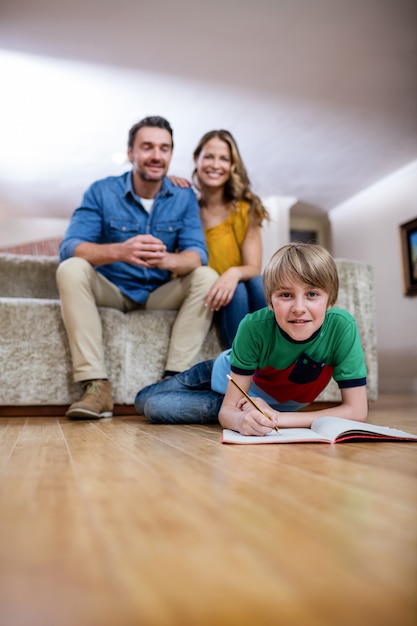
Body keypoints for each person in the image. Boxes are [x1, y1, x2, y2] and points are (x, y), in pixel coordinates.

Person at [57, 115, 218, 420]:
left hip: (158, 292)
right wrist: (120, 250)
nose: (156, 155)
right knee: (71, 268)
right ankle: (96, 387)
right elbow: (70, 246)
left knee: (207, 276)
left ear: (171, 154)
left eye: (164, 148)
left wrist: (170, 260)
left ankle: (172, 382)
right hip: (112, 290)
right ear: (131, 152)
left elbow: (198, 254)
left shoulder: (183, 196)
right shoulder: (101, 191)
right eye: (147, 147)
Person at [135, 243, 369, 435]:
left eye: (312, 294)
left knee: (155, 407)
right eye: (286, 295)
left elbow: (357, 411)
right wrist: (240, 418)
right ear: (270, 301)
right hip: (221, 375)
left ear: (330, 301)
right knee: (142, 401)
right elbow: (228, 410)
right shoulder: (253, 326)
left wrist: (277, 417)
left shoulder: (341, 327)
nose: (299, 308)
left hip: (264, 405)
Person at [171, 129, 269, 348]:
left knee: (256, 283)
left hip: (236, 291)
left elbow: (253, 267)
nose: (215, 165)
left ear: (233, 165)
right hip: (203, 293)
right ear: (197, 159)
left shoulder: (246, 208)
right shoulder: (183, 207)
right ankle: (241, 369)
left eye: (224, 158)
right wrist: (165, 185)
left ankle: (275, 358)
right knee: (238, 293)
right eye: (209, 156)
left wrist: (232, 273)